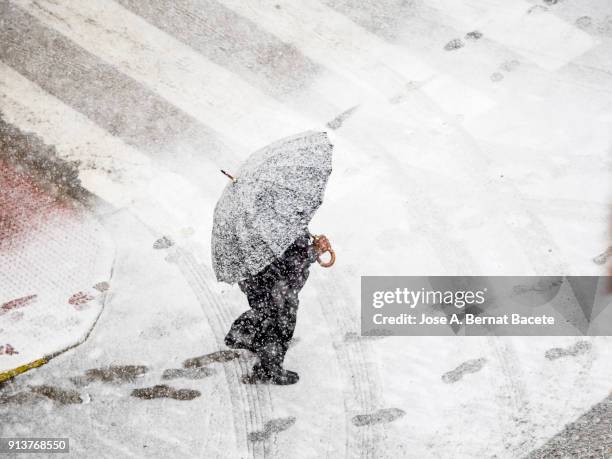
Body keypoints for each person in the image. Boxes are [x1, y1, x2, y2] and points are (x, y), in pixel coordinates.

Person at [224, 231, 333, 385]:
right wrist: (314, 251)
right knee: (282, 322)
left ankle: (242, 332)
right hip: (277, 284)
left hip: (254, 279)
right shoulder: (282, 222)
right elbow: (289, 262)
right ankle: (269, 369)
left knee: (265, 309)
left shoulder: (255, 223)